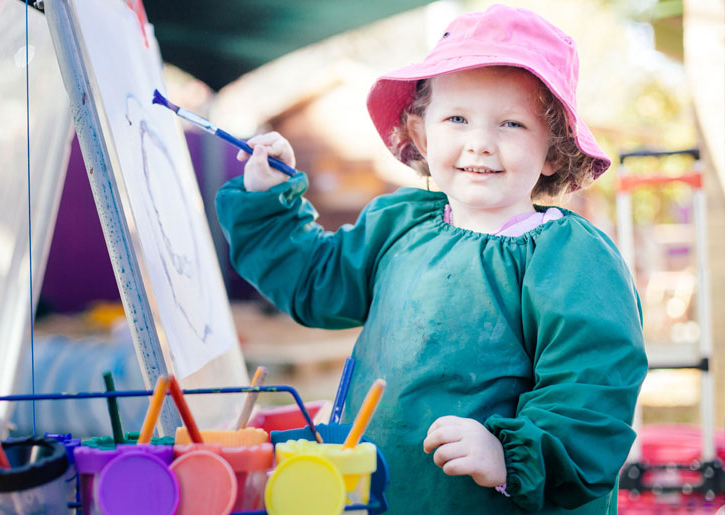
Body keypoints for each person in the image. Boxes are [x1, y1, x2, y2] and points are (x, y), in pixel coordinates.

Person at [216, 4, 648, 513]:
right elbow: (316, 281)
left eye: (510, 123)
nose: (480, 143)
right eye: (457, 118)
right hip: (387, 496)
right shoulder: (401, 224)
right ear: (422, 133)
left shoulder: (568, 258)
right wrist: (268, 201)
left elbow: (590, 387)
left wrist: (509, 457)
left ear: (554, 151)